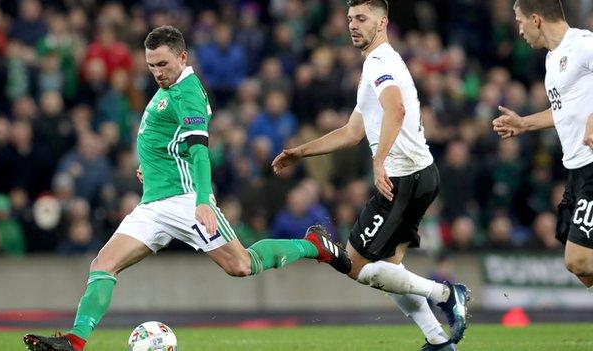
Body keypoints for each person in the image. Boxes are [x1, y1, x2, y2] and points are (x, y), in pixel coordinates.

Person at [23, 26, 350, 351]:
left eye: (162, 64)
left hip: (185, 200)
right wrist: (151, 168)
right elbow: (172, 142)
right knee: (103, 264)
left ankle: (313, 245)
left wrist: (203, 200)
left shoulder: (188, 93)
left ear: (182, 57)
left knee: (242, 265)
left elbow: (199, 150)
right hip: (152, 204)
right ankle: (75, 342)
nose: (156, 72)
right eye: (151, 65)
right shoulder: (167, 90)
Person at [272, 1, 469, 350]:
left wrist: (379, 163)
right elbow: (351, 132)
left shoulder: (381, 63)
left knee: (355, 265)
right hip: (420, 175)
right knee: (391, 272)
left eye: (362, 18)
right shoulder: (374, 66)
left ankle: (446, 293)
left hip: (401, 178)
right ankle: (439, 340)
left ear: (383, 23)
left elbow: (396, 107)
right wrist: (300, 152)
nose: (353, 25)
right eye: (350, 18)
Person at [493, 0, 593, 292]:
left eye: (519, 20)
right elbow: (564, 110)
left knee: (579, 260)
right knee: (583, 270)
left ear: (536, 19)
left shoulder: (583, 44)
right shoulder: (553, 59)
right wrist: (524, 124)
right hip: (576, 170)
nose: (518, 29)